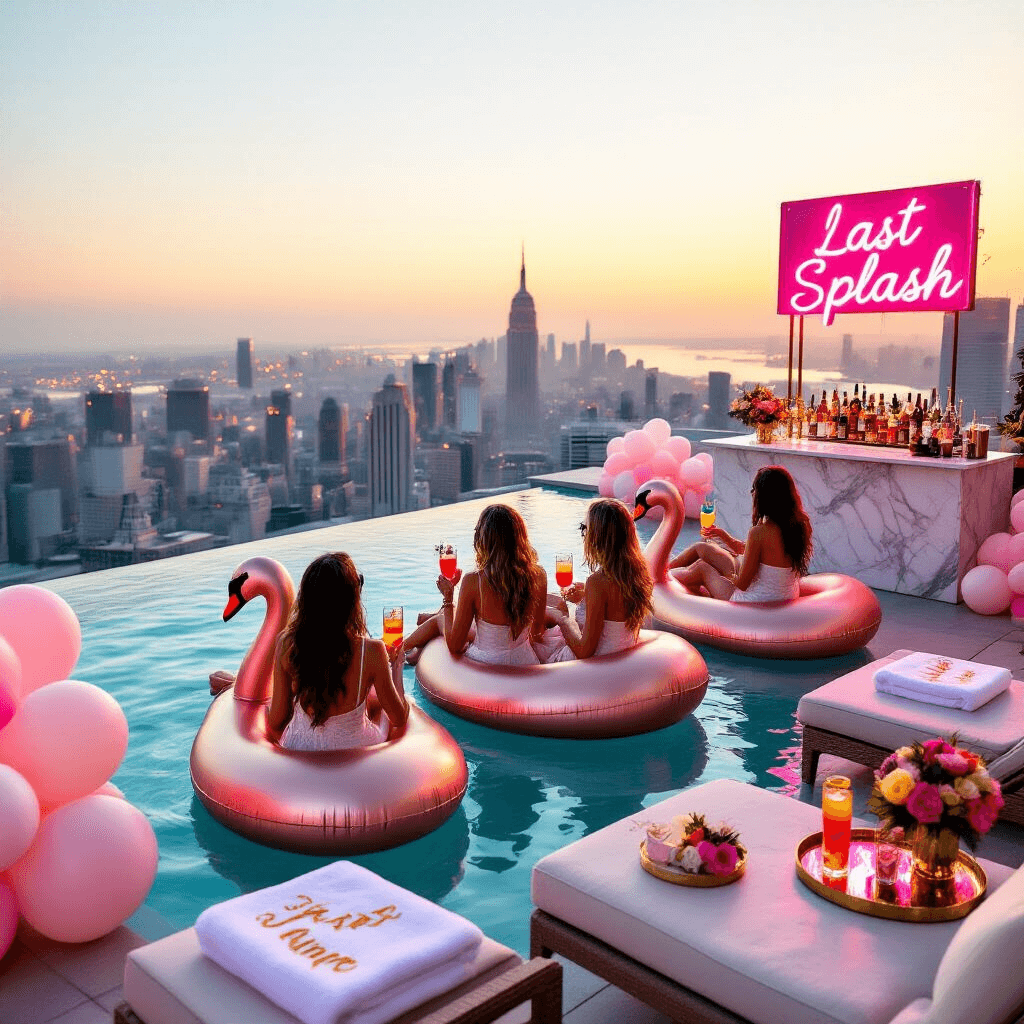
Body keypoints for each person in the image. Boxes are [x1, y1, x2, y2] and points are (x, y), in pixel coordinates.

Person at [268, 552, 409, 750]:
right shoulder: (371, 651)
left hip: (300, 748)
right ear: (351, 601)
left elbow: (276, 721)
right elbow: (399, 717)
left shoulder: (286, 644)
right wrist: (397, 665)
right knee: (383, 713)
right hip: (354, 750)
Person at [404, 504, 548, 665]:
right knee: (451, 621)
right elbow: (537, 631)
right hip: (525, 660)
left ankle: (399, 649)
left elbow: (454, 646)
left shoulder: (474, 580)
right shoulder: (539, 575)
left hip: (486, 665)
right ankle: (415, 650)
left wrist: (448, 598)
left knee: (442, 617)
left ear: (483, 540)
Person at [667, 465, 812, 602]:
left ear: (766, 496)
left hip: (757, 599)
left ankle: (662, 580)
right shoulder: (799, 525)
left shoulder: (760, 532)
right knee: (702, 548)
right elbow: (759, 554)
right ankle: (665, 569)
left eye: (755, 489)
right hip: (784, 593)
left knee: (702, 568)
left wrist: (727, 574)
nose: (752, 493)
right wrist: (723, 535)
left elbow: (742, 584)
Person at [536, 498, 654, 661]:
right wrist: (587, 596)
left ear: (597, 536)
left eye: (585, 528)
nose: (584, 534)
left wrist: (562, 619)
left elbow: (584, 652)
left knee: (535, 637)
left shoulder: (598, 581)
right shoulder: (636, 574)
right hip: (619, 656)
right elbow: (613, 613)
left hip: (593, 665)